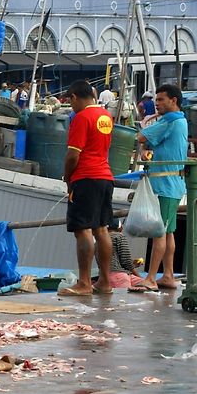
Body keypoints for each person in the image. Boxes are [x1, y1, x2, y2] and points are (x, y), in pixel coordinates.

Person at [59, 79, 114, 296]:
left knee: (82, 230)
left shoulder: (81, 118)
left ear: (74, 97)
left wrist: (68, 177)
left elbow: (73, 154)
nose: (71, 106)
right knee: (102, 228)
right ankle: (105, 281)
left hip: (86, 177)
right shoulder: (105, 116)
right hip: (105, 176)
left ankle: (83, 283)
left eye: (70, 101)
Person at [134, 83, 187, 292]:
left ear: (173, 100)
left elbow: (140, 137)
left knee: (159, 232)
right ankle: (168, 275)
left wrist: (146, 122)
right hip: (173, 184)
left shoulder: (170, 121)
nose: (157, 104)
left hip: (165, 184)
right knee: (168, 232)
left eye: (161, 100)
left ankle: (151, 278)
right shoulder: (180, 120)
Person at [108, 221, 145, 289]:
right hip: (119, 276)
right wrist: (138, 275)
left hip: (108, 276)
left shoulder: (100, 239)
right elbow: (126, 261)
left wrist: (133, 263)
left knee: (144, 284)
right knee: (126, 295)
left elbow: (114, 260)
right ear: (120, 228)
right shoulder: (119, 236)